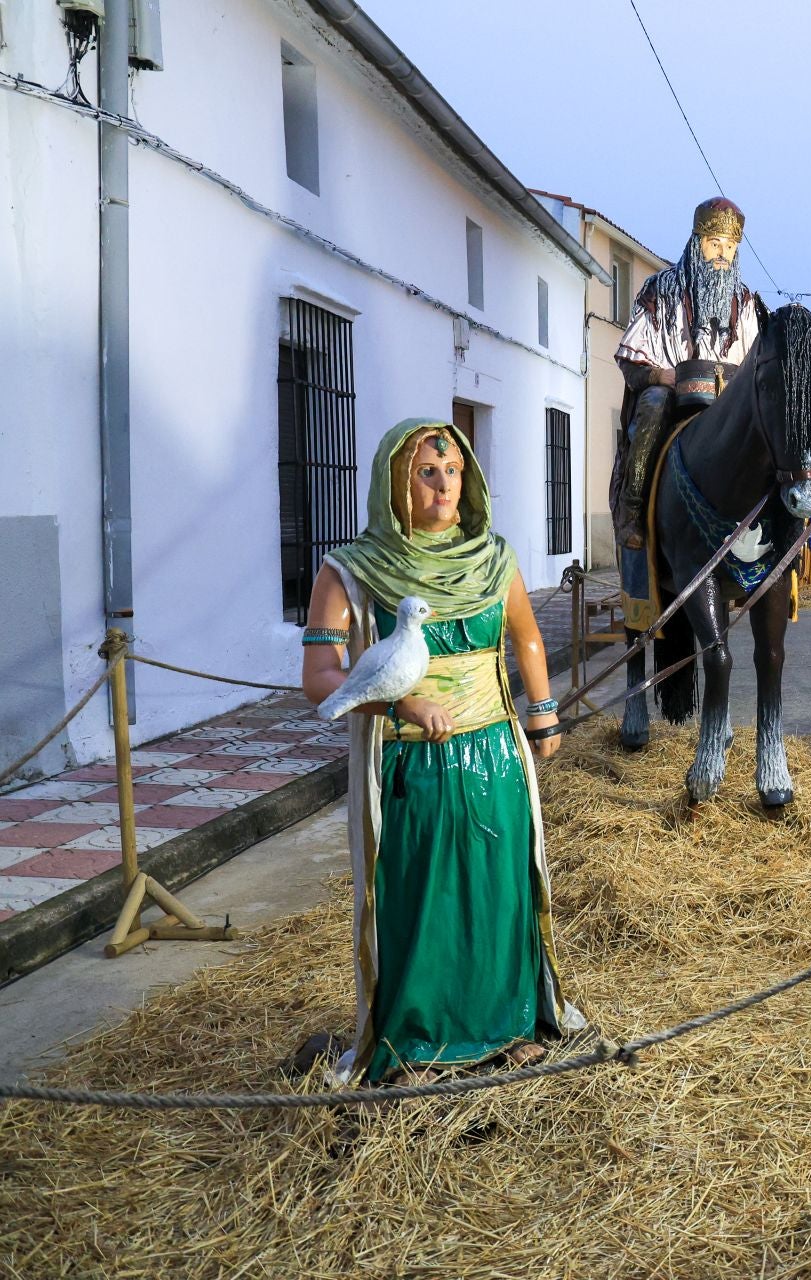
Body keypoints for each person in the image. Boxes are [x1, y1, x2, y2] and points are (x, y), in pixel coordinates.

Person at [301, 419, 585, 1086]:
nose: (444, 485)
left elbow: (527, 638)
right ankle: (412, 1039)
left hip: (495, 759)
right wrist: (400, 703)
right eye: (427, 473)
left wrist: (543, 715)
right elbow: (318, 677)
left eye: (453, 470)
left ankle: (508, 1024)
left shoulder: (494, 559)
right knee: (417, 897)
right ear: (395, 483)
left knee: (499, 890)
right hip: (408, 769)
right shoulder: (353, 570)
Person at [610, 197, 758, 628]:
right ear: (697, 242)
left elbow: (751, 361)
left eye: (730, 248)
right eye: (715, 244)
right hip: (673, 393)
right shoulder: (663, 290)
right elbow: (631, 357)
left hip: (726, 400)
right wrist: (663, 376)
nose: (722, 257)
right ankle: (635, 507)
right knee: (653, 406)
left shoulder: (745, 301)